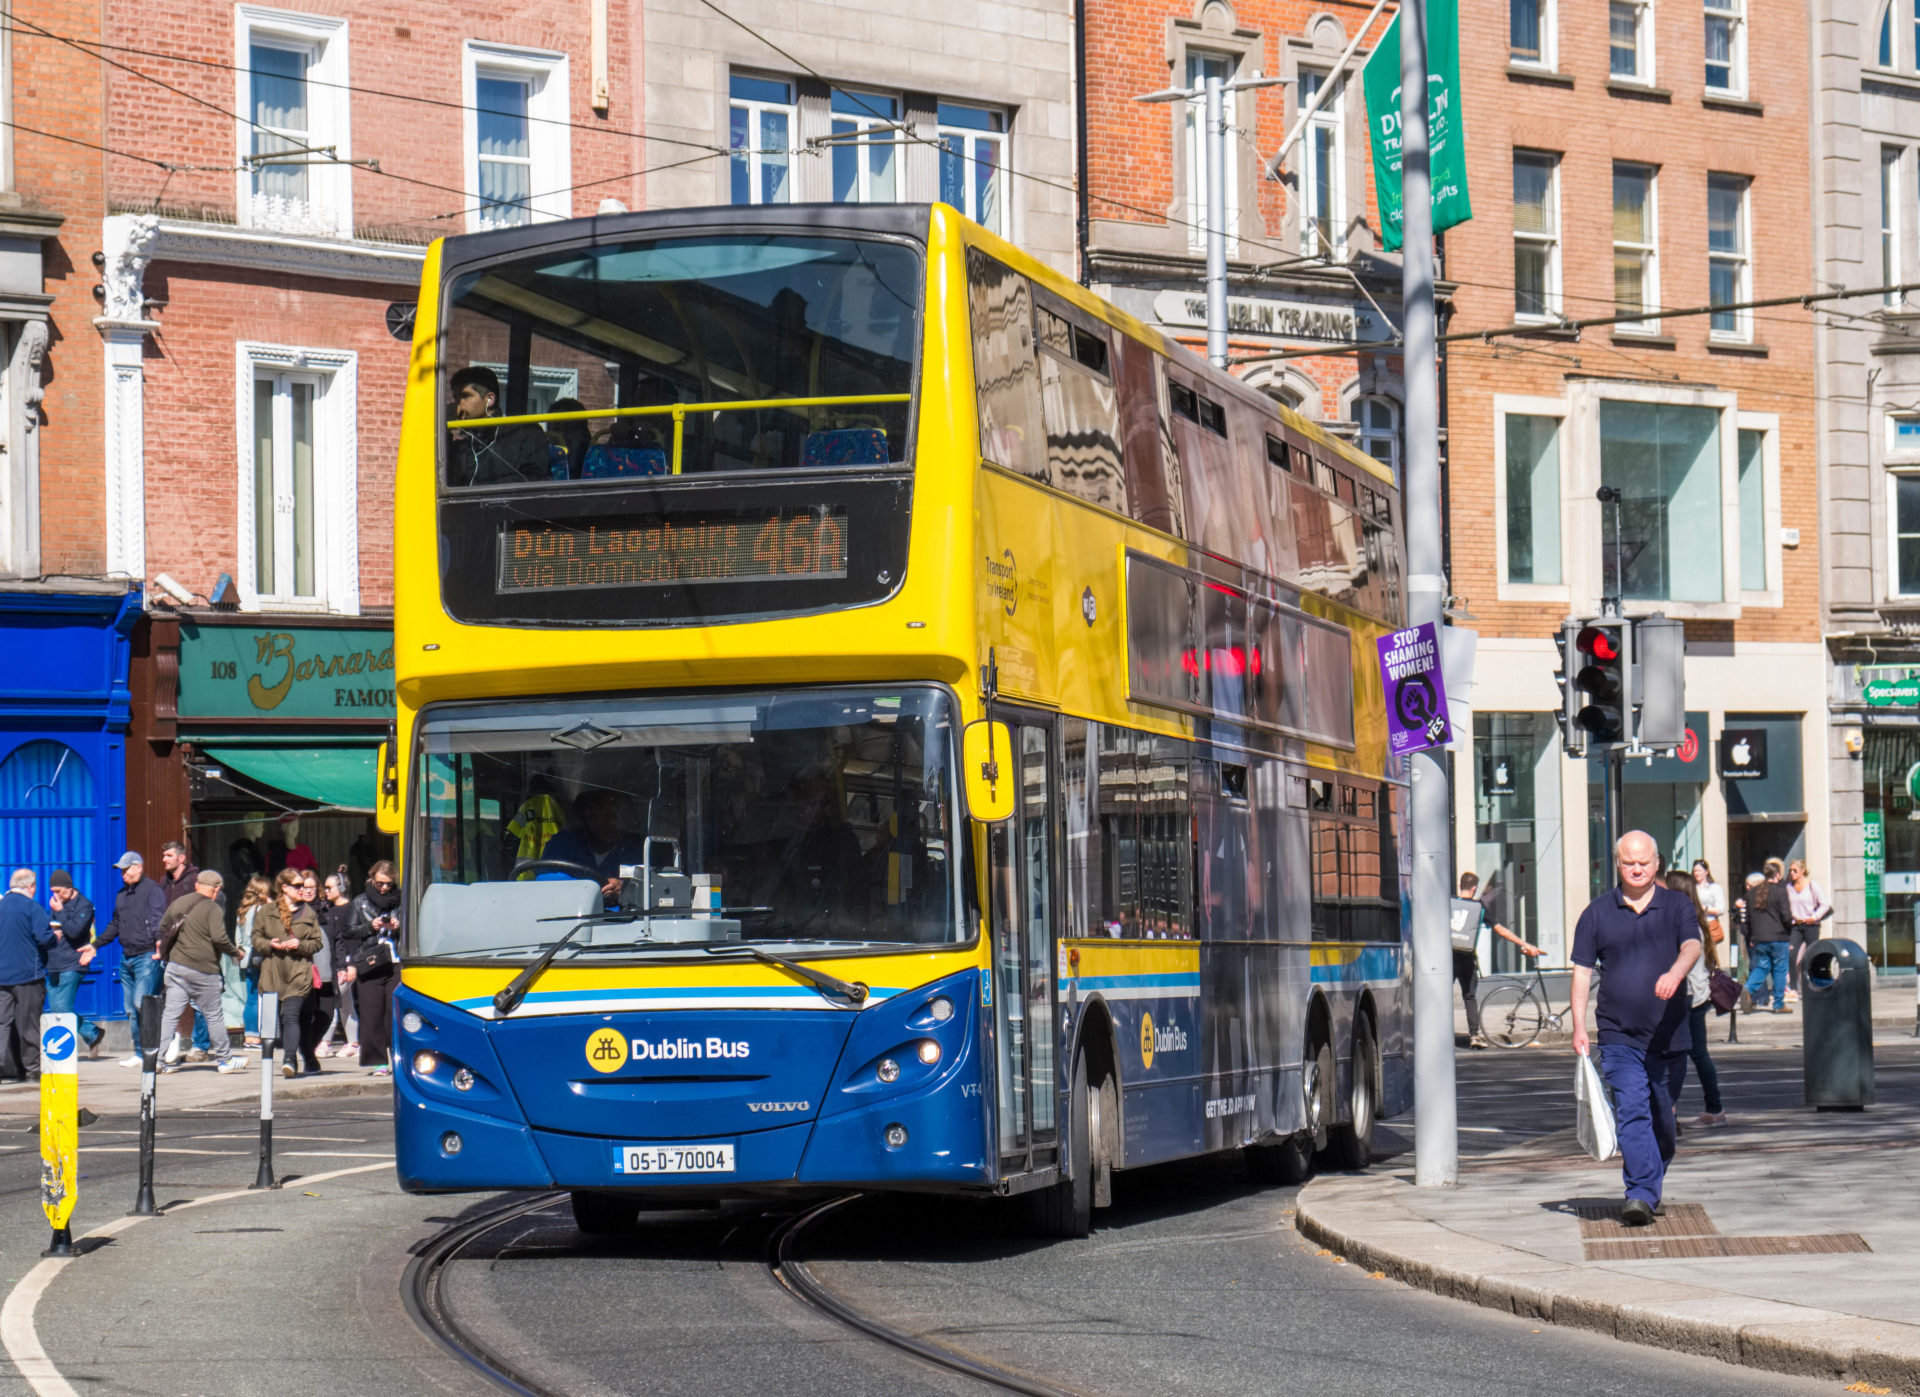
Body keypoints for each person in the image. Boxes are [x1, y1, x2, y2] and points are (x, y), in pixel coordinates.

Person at [1570, 831, 1702, 1227]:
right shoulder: (1596, 913)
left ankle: (1650, 1181)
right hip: (1618, 1034)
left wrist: (1676, 973)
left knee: (1662, 1118)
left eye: (1644, 861)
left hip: (1669, 1033)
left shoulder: (1677, 905)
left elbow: (1692, 946)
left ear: (1657, 862)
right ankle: (1640, 1193)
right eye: (1629, 862)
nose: (1638, 868)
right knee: (1631, 1109)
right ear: (1618, 864)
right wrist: (1579, 1026)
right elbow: (1580, 973)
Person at [154, 870, 247, 1074]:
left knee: (170, 1015)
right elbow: (220, 939)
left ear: (197, 885)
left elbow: (163, 926)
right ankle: (225, 1060)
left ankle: (158, 1060)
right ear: (216, 890)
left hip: (176, 968)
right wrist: (236, 952)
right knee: (213, 1015)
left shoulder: (178, 902)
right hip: (203, 970)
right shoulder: (212, 909)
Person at [1663, 870, 1727, 1129]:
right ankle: (1714, 1108)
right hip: (1697, 994)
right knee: (1697, 1054)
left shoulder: (1684, 922)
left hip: (1689, 996)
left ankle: (1711, 1109)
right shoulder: (1695, 918)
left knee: (1685, 1055)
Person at [1452, 872, 1542, 1049]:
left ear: (1459, 885)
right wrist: (1525, 944)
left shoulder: (1449, 904)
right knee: (1469, 997)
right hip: (1467, 958)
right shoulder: (1479, 908)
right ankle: (1474, 1036)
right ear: (1475, 888)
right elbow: (1502, 931)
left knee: (1441, 996)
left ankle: (1437, 1032)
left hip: (1448, 956)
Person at [96, 852, 167, 1067]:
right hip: (126, 956)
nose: (123, 874)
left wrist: (158, 942)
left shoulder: (152, 890)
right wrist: (95, 945)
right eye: (121, 870)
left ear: (139, 867)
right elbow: (115, 924)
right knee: (130, 1008)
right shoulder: (122, 895)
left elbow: (157, 917)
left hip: (146, 955)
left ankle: (159, 1045)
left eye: (127, 869)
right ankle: (139, 1052)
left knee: (141, 1003)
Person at [253, 868, 323, 1077]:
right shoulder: (266, 912)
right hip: (273, 970)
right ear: (284, 888)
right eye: (298, 886)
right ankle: (306, 1058)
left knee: (290, 1014)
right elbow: (255, 938)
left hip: (299, 970)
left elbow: (317, 943)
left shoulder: (308, 913)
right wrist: (269, 944)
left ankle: (289, 1060)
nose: (302, 889)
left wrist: (300, 944)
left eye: (304, 885)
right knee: (284, 1017)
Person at [446, 366, 552, 486]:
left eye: (465, 396)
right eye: (456, 397)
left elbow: (534, 479)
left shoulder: (525, 433)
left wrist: (479, 489)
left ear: (489, 399)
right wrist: (443, 428)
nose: (458, 404)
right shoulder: (465, 443)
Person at [343, 861, 401, 1073]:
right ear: (372, 879)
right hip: (370, 962)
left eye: (388, 884)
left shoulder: (402, 901)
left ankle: (397, 1057)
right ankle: (378, 1061)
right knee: (370, 1013)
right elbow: (348, 931)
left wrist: (398, 926)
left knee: (393, 1013)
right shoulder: (360, 901)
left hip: (395, 962)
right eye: (379, 883)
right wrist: (371, 926)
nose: (384, 888)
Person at [541, 789, 649, 900]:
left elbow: (653, 889)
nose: (611, 820)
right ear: (588, 817)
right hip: (568, 912)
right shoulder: (562, 843)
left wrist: (624, 889)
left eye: (617, 814)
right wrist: (593, 887)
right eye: (604, 813)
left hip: (619, 917)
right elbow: (545, 880)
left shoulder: (640, 850)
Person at [0, 869, 54, 1081]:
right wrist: (55, 936)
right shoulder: (32, 908)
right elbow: (44, 938)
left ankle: (5, 1069)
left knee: (2, 1024)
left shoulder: (1, 906)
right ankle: (31, 1072)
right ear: (31, 887)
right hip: (28, 977)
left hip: (1, 978)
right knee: (28, 1024)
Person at [44, 871, 103, 1059]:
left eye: (60, 891)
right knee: (56, 1009)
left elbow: (76, 931)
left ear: (69, 888)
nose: (56, 895)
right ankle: (93, 1033)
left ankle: (67, 1048)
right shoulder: (55, 905)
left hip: (73, 962)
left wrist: (60, 912)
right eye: (53, 891)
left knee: (62, 1008)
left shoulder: (84, 905)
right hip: (53, 961)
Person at [1739, 863, 1794, 1012]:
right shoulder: (1780, 892)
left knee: (1762, 966)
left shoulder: (1752, 893)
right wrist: (1789, 929)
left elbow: (1747, 918)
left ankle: (1748, 989)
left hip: (1759, 938)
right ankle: (1778, 1004)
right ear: (1777, 875)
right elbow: (1786, 916)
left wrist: (1751, 936)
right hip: (1778, 936)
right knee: (1780, 969)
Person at [228, 875, 272, 1050]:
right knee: (266, 995)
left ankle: (250, 1036)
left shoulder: (243, 911)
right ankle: (264, 1035)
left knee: (252, 997)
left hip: (246, 958)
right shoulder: (264, 909)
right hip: (261, 956)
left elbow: (238, 939)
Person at [317, 871, 356, 1057]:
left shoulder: (351, 910)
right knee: (345, 1004)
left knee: (333, 1000)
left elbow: (353, 939)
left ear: (340, 888)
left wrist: (350, 964)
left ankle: (325, 1041)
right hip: (332, 963)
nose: (325, 891)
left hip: (345, 963)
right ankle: (354, 1043)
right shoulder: (327, 909)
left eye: (329, 887)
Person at [1785, 859, 1833, 1002]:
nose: (1792, 873)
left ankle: (1813, 984)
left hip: (1811, 925)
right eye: (1790, 871)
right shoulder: (1789, 887)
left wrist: (1814, 917)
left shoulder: (1812, 886)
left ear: (1802, 871)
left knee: (1812, 954)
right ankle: (1794, 988)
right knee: (1791, 955)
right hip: (1796, 925)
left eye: (1795, 870)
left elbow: (1825, 904)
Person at [1690, 860, 1730, 968]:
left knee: (1709, 953)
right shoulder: (1692, 887)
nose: (1696, 873)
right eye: (1695, 871)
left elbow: (1721, 908)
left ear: (1706, 872)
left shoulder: (1714, 888)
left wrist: (1703, 908)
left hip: (1709, 924)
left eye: (1699, 871)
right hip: (1695, 923)